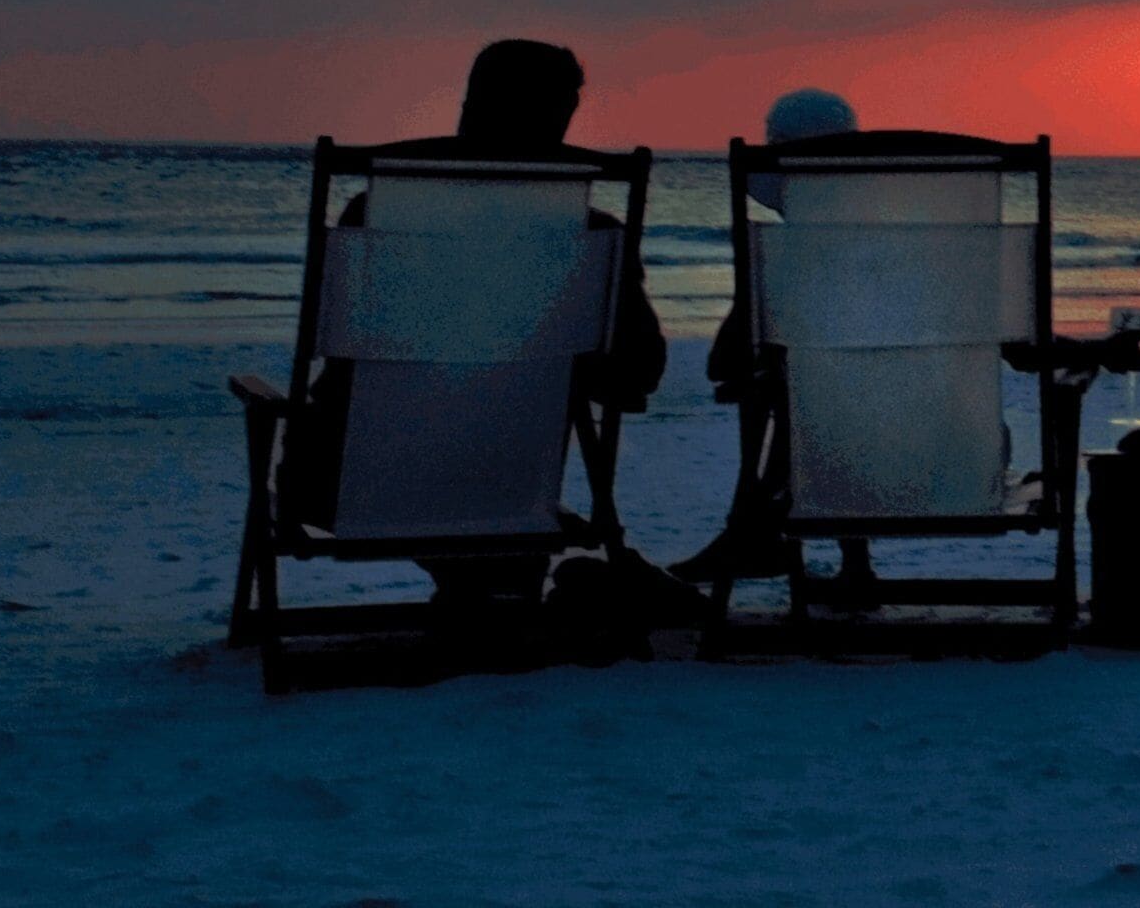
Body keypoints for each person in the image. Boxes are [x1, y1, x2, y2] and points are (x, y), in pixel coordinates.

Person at [276, 38, 666, 607]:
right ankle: (496, 585)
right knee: (498, 570)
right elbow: (638, 373)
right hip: (507, 487)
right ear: (562, 117)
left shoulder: (373, 214)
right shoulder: (593, 235)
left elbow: (332, 347)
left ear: (470, 104)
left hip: (346, 484)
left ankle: (486, 588)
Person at [671, 86, 861, 585]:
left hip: (840, 464)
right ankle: (853, 563)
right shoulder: (913, 252)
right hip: (956, 449)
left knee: (782, 383)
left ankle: (747, 532)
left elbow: (722, 364)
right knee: (827, 383)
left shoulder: (785, 265)